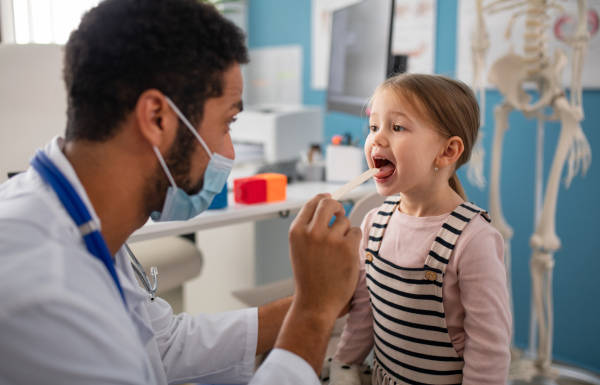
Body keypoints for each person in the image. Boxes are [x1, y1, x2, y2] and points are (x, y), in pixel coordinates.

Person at [0, 0, 361, 384]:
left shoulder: (84, 220)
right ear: (157, 118)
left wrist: (320, 300)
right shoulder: (41, 289)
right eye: (227, 122)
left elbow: (166, 346)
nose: (229, 153)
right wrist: (312, 313)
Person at [327, 74, 511, 384]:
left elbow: (489, 351)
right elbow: (363, 314)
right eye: (373, 127)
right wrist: (343, 364)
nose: (377, 140)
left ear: (447, 152)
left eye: (397, 127)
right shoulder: (374, 223)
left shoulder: (473, 240)